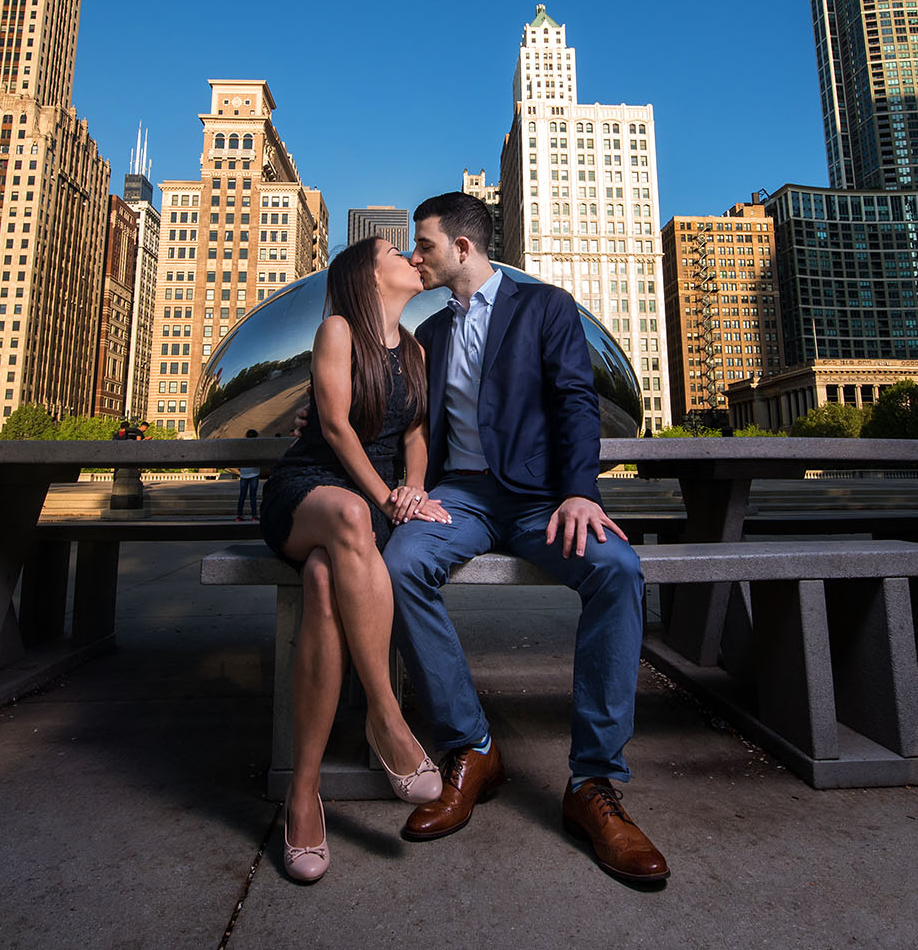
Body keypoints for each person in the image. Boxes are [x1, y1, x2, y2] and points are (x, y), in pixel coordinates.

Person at [381, 191, 669, 883]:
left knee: (618, 571)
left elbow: (575, 400)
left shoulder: (545, 307)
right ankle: (470, 747)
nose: (416, 256)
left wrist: (579, 492)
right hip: (463, 496)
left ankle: (592, 783)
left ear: (463, 248)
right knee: (399, 566)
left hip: (543, 498)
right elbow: (407, 422)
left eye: (424, 244)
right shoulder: (434, 334)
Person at [258, 237, 451, 883]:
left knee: (321, 581)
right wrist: (388, 502)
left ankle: (303, 792)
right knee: (345, 519)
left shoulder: (417, 349)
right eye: (397, 251)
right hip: (312, 491)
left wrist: (415, 488)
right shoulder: (337, 329)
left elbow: (417, 436)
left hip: (369, 508)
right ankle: (386, 717)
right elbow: (336, 427)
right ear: (368, 275)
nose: (411, 257)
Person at [235, 428, 261, 521]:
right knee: (253, 496)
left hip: (244, 473)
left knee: (242, 495)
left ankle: (239, 515)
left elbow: (238, 457)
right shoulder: (258, 446)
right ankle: (254, 516)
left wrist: (240, 467)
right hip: (254, 473)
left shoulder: (242, 446)